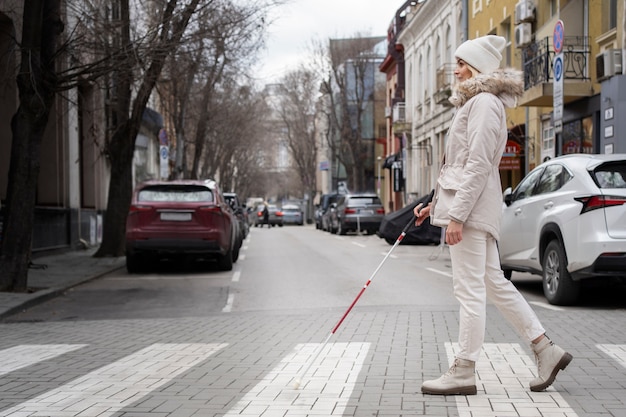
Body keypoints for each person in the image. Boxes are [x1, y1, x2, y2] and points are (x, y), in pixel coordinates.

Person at [414, 35, 572, 396]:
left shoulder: (483, 102)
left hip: (469, 214)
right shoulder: (477, 103)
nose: (456, 70)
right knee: (494, 285)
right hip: (469, 208)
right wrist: (434, 205)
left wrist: (456, 216)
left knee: (468, 291)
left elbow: (479, 163)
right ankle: (546, 350)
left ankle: (464, 370)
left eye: (462, 63)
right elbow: (457, 165)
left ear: (479, 67)